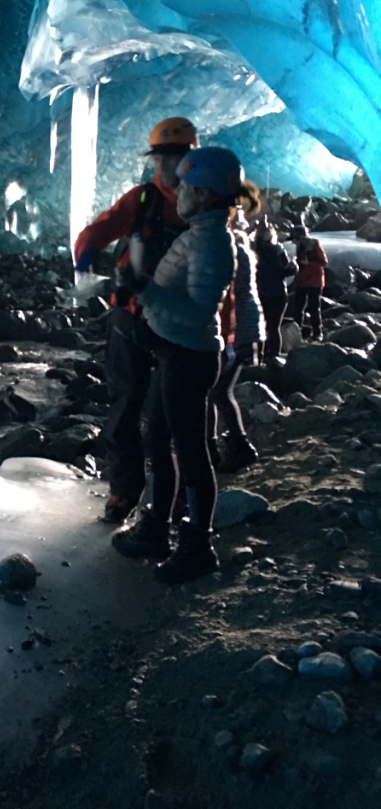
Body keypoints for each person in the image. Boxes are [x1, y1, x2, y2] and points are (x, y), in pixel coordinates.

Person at [111, 147, 258, 584]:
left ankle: (198, 546)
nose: (179, 194)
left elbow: (198, 312)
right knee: (156, 439)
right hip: (174, 352)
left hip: (189, 356)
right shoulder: (201, 235)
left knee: (191, 451)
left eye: (187, 187)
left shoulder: (213, 242)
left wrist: (145, 291)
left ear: (205, 193)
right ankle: (157, 529)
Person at [73, 117, 197, 523]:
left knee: (173, 412)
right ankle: (125, 491)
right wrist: (87, 251)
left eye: (175, 156)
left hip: (178, 323)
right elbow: (102, 227)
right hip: (130, 316)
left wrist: (230, 332)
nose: (167, 165)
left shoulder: (204, 205)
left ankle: (174, 494)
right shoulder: (142, 200)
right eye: (162, 157)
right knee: (126, 404)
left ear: (190, 158)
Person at [208, 203, 264, 474]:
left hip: (236, 330)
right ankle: (233, 446)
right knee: (220, 391)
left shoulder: (233, 251)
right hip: (247, 329)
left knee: (212, 390)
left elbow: (226, 292)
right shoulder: (242, 249)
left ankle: (218, 448)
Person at [253, 217, 296, 359]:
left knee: (261, 328)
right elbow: (286, 271)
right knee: (273, 327)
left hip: (261, 294)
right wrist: (294, 267)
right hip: (277, 294)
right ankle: (273, 357)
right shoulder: (278, 249)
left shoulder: (253, 249)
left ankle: (259, 357)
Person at [291, 224, 328, 341]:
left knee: (314, 308)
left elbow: (323, 262)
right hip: (303, 281)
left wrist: (309, 263)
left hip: (315, 281)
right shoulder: (299, 246)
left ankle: (317, 333)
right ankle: (298, 332)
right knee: (298, 307)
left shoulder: (314, 245)